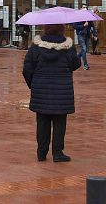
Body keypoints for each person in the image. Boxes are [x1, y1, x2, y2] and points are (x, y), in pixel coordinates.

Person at [22, 23, 81, 162]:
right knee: (60, 121)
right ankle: (58, 152)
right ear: (62, 29)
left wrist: (33, 85)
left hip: (41, 90)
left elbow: (27, 68)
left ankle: (41, 152)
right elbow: (76, 64)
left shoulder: (36, 46)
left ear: (46, 28)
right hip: (62, 91)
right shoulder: (68, 46)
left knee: (42, 121)